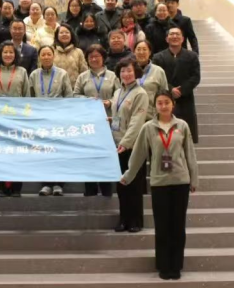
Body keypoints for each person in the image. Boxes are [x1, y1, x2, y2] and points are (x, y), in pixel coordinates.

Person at [121, 90, 199, 281]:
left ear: (173, 104)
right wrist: (128, 175)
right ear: (155, 106)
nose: (163, 106)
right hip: (159, 183)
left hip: (180, 182)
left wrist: (194, 179)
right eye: (159, 103)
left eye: (166, 102)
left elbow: (190, 154)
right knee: (162, 226)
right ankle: (164, 266)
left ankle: (176, 266)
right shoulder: (148, 127)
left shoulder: (182, 126)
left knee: (178, 226)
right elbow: (138, 154)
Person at [74, 44, 121, 198]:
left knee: (106, 156)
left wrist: (110, 102)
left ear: (103, 58)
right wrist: (87, 100)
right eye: (91, 57)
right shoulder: (82, 77)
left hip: (109, 120)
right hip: (89, 123)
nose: (94, 59)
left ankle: (107, 190)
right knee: (89, 156)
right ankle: (90, 190)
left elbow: (120, 95)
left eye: (97, 56)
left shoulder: (113, 76)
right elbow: (74, 95)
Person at [0, 42, 31, 197]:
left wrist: (25, 118)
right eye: (5, 52)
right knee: (0, 154)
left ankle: (17, 188)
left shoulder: (22, 72)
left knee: (18, 154)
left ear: (15, 55)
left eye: (11, 52)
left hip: (17, 119)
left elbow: (27, 96)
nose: (8, 55)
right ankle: (1, 188)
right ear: (0, 54)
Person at [111, 58, 149, 234]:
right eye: (123, 71)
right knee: (121, 185)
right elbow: (118, 117)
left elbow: (136, 121)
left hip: (133, 146)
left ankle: (135, 220)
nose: (125, 74)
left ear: (136, 72)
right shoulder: (118, 92)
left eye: (129, 70)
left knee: (134, 184)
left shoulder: (140, 93)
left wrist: (125, 143)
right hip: (117, 144)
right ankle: (123, 219)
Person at [30, 45, 74, 197]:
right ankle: (45, 184)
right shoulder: (34, 75)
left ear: (53, 56)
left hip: (58, 119)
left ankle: (59, 184)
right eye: (43, 54)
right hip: (40, 120)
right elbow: (30, 97)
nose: (46, 57)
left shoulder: (62, 74)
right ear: (39, 57)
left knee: (59, 151)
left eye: (49, 54)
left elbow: (69, 96)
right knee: (43, 152)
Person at [153, 28, 201, 144]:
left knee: (185, 136)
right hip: (165, 97)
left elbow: (196, 77)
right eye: (172, 34)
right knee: (164, 136)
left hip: (186, 98)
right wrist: (170, 89)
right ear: (166, 39)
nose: (174, 36)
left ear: (183, 39)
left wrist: (181, 90)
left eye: (177, 34)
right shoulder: (158, 57)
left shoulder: (192, 56)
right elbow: (156, 76)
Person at [134, 41, 169, 121]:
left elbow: (165, 95)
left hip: (152, 117)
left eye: (144, 49)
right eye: (138, 49)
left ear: (149, 52)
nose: (141, 52)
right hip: (133, 117)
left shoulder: (159, 71)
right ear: (134, 52)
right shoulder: (129, 71)